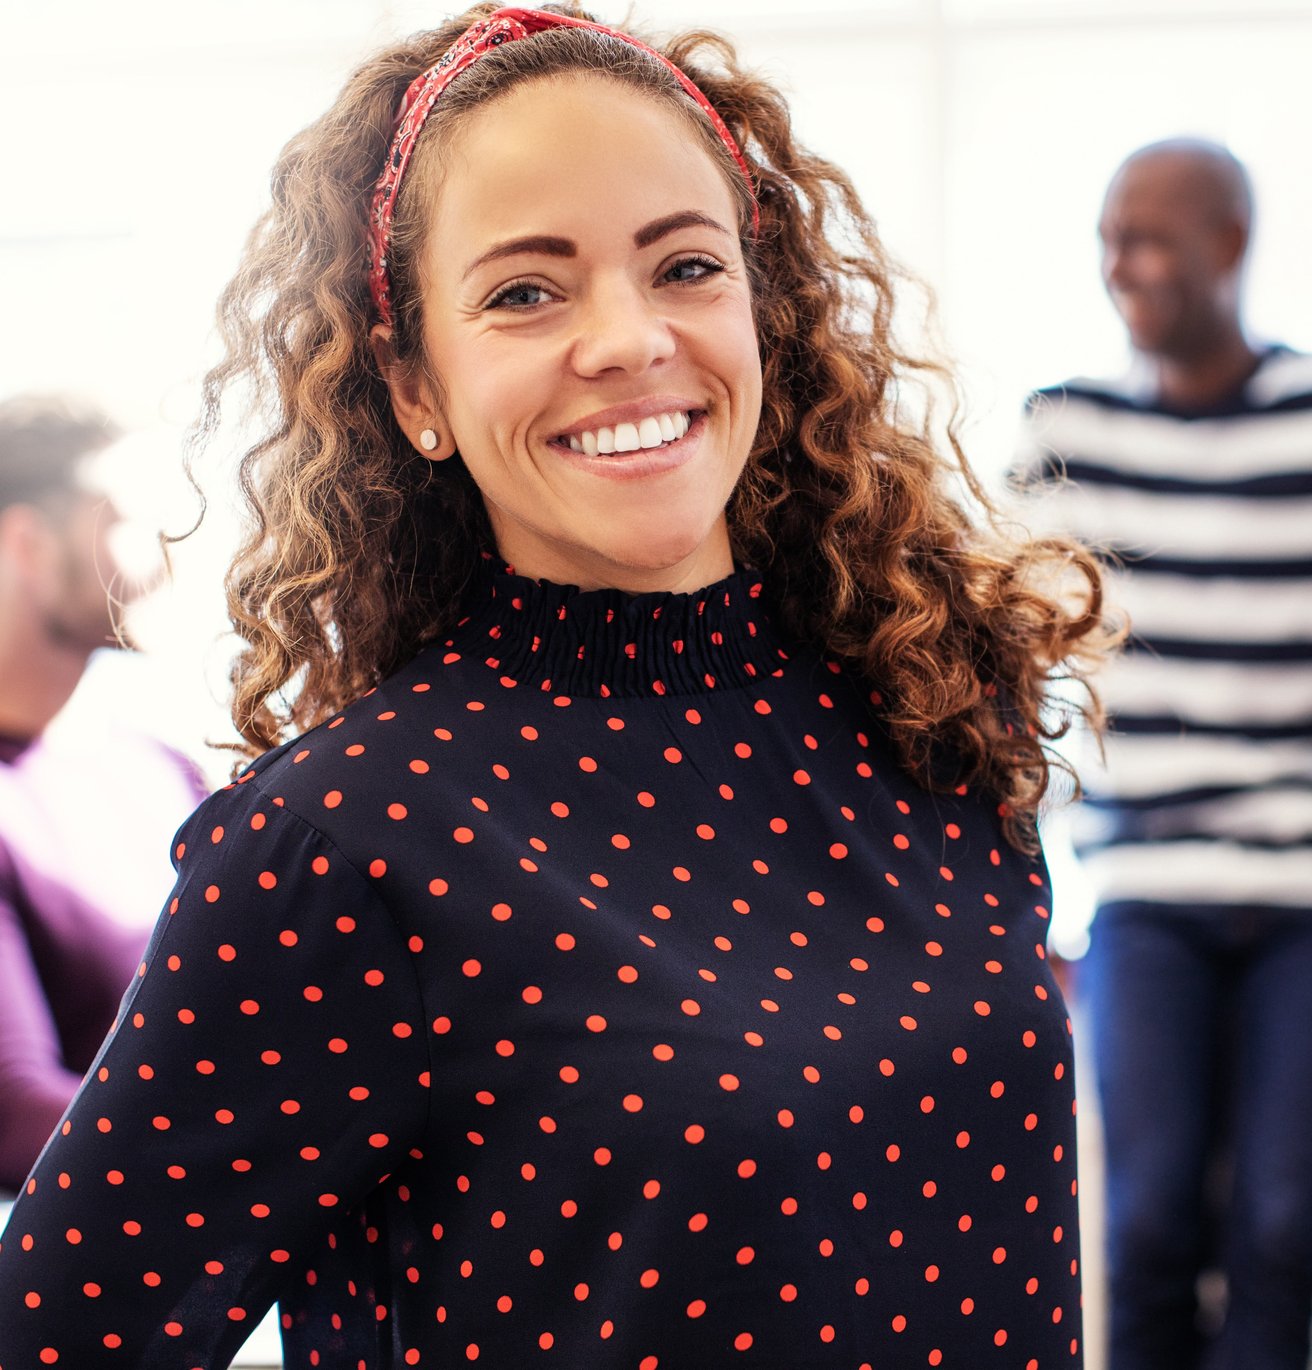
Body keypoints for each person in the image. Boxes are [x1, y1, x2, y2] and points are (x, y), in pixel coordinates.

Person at [0, 6, 1111, 1365]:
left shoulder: (929, 703)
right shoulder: (346, 839)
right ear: (414, 382)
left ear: (762, 311)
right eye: (527, 290)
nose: (628, 337)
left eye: (686, 265)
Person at [1015, 138, 1312, 1370]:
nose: (1118, 263)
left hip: (1300, 900)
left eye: (1147, 236)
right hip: (1142, 893)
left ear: (1229, 246)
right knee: (1139, 1224)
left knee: (1284, 1226)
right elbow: (995, 667)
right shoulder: (1065, 433)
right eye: (1106, 236)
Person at [0, 396, 206, 1194]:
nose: (168, 558)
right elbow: (15, 1114)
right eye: (130, 524)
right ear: (29, 543)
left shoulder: (161, 770)